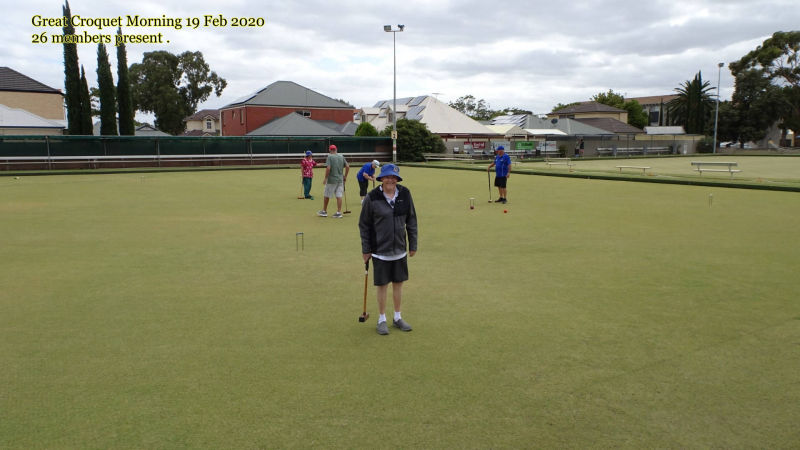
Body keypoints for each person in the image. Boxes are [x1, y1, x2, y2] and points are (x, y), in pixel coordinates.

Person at [358, 164, 418, 335]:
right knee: (382, 285)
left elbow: (411, 220)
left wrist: (413, 244)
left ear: (397, 179)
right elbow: (364, 225)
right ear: (381, 178)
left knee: (398, 283)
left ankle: (397, 317)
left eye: (394, 177)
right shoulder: (372, 197)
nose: (390, 180)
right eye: (387, 177)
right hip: (379, 250)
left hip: (400, 248)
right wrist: (366, 249)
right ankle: (382, 319)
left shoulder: (405, 194)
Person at [317, 144, 349, 218]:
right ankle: (338, 212)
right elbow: (347, 166)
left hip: (331, 180)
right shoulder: (341, 156)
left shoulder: (330, 156)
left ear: (330, 150)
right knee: (339, 196)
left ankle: (324, 211)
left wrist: (325, 178)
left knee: (326, 195)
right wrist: (345, 176)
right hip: (340, 180)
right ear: (336, 149)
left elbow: (328, 168)